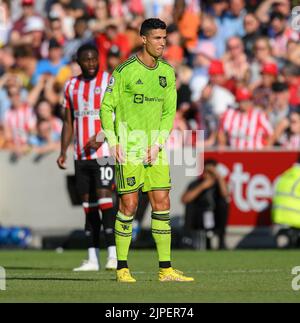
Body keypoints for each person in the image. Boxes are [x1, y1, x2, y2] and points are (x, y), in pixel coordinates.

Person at [100, 18, 194, 282]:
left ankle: (165, 269)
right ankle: (121, 268)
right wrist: (113, 141)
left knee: (162, 204)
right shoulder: (124, 71)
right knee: (128, 205)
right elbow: (106, 107)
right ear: (143, 39)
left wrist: (158, 143)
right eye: (156, 38)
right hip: (128, 148)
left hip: (155, 150)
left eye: (164, 38)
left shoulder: (167, 72)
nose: (162, 43)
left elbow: (169, 112)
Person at [57, 44, 117, 271]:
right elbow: (67, 121)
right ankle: (93, 258)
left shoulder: (109, 82)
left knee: (105, 199)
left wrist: (102, 135)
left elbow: (120, 115)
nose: (91, 63)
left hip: (103, 154)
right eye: (86, 60)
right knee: (88, 205)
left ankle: (113, 255)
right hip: (80, 155)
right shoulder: (71, 85)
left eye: (94, 59)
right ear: (79, 62)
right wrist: (63, 151)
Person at [181, 159, 229, 250]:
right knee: (190, 205)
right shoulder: (196, 183)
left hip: (214, 216)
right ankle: (187, 239)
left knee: (224, 203)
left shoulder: (218, 184)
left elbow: (226, 195)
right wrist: (202, 186)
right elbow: (185, 199)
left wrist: (218, 177)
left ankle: (221, 241)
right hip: (199, 216)